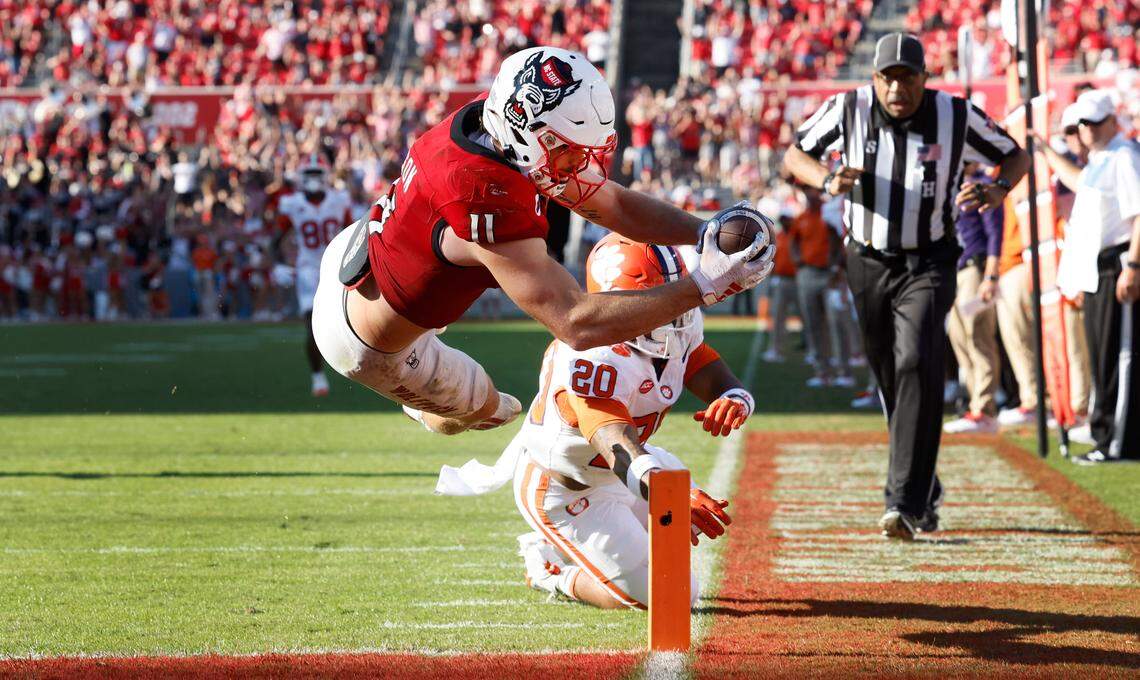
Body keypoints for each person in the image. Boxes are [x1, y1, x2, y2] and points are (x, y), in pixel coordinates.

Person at [313, 47, 774, 436]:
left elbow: (613, 204)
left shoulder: (494, 125)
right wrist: (706, 283)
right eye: (569, 147)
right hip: (365, 343)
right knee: (489, 412)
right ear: (527, 128)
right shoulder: (483, 195)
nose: (580, 162)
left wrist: (704, 231)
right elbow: (577, 324)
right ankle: (423, 395)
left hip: (362, 251)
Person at [784, 33, 1030, 539]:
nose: (898, 88)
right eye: (888, 77)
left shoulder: (956, 115)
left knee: (918, 358)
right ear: (874, 80)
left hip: (930, 260)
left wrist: (998, 186)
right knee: (892, 380)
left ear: (924, 79)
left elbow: (1014, 154)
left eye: (908, 77)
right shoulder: (847, 109)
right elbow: (796, 155)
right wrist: (827, 180)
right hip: (868, 261)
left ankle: (906, 502)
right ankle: (925, 484)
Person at [434, 234, 750, 609]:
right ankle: (549, 569)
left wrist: (735, 397)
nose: (670, 312)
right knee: (673, 595)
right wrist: (670, 495)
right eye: (654, 300)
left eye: (671, 296)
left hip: (628, 468)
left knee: (692, 527)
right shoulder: (591, 357)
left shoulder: (675, 327)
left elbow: (698, 360)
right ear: (614, 303)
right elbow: (615, 442)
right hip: (569, 490)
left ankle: (580, 549)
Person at [1040, 90, 1140, 464]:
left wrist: (1133, 266)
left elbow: (1138, 214)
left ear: (1112, 121)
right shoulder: (1103, 159)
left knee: (1119, 355)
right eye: (1082, 124)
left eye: (1094, 123)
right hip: (1101, 264)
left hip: (1120, 261)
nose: (1087, 130)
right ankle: (1104, 431)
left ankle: (1118, 440)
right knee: (1103, 353)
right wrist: (1044, 153)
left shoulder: (1125, 157)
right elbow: (1080, 182)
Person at [276, 157, 354, 397]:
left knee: (348, 322)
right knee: (312, 326)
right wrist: (278, 263)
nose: (312, 180)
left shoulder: (340, 200)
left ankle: (355, 365)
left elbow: (352, 233)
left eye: (316, 174)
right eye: (308, 175)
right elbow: (276, 236)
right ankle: (318, 377)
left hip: (337, 265)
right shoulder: (291, 203)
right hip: (308, 269)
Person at [944, 162, 1003, 434]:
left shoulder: (980, 184)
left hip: (974, 269)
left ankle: (985, 407)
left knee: (978, 336)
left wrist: (990, 275)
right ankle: (973, 403)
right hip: (954, 270)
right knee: (959, 339)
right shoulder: (949, 185)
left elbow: (995, 233)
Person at [789, 188, 850, 387]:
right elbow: (793, 242)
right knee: (812, 323)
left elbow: (839, 242)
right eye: (808, 194)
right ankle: (822, 371)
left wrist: (835, 268)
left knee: (836, 322)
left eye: (813, 193)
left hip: (828, 274)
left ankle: (843, 370)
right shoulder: (801, 218)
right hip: (808, 273)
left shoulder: (829, 215)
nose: (810, 197)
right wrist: (797, 260)